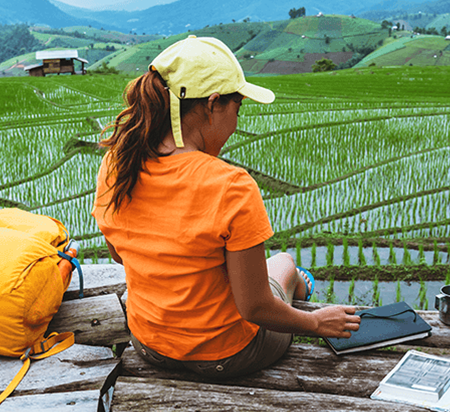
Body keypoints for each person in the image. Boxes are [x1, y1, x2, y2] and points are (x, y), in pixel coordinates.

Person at [92, 35, 360, 378]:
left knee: (264, 270)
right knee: (284, 263)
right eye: (237, 108)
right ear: (213, 104)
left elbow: (119, 255)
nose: (235, 122)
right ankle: (298, 285)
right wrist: (316, 322)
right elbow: (254, 307)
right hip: (228, 355)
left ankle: (294, 284)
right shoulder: (230, 185)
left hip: (150, 345)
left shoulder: (117, 163)